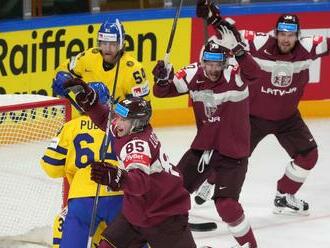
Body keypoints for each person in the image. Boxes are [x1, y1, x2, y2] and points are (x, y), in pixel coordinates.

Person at [197, 0, 330, 215]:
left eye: (291, 34)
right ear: (276, 33)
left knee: (309, 155)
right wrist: (213, 18)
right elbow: (231, 36)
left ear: (298, 35)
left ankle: (284, 195)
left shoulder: (309, 46)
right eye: (282, 33)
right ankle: (210, 182)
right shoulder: (258, 43)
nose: (286, 39)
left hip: (288, 118)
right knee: (231, 156)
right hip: (252, 117)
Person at [151, 22, 260, 247]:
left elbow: (255, 73)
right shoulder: (192, 74)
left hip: (233, 153)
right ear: (202, 62)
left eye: (217, 63)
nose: (212, 69)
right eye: (208, 63)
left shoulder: (235, 74)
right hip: (204, 149)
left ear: (225, 62)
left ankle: (250, 245)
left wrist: (238, 50)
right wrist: (162, 79)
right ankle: (179, 237)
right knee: (173, 193)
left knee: (227, 205)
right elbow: (161, 93)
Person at [58, 78, 198, 248]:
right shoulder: (125, 128)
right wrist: (92, 104)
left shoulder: (136, 146)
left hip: (164, 215)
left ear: (137, 123)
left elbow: (140, 183)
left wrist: (116, 178)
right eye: (118, 116)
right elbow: (105, 119)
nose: (116, 122)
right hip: (136, 213)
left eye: (123, 119)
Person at [40, 82, 123, 248]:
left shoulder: (70, 128)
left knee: (61, 224)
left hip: (81, 196)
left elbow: (51, 168)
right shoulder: (119, 125)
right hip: (119, 191)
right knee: (133, 237)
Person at [54, 17, 150, 114]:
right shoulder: (88, 56)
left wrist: (109, 106)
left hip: (116, 125)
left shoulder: (134, 70)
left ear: (121, 44)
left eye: (112, 44)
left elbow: (143, 110)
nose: (107, 48)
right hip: (86, 122)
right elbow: (65, 68)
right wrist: (64, 77)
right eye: (104, 43)